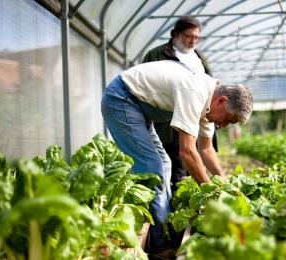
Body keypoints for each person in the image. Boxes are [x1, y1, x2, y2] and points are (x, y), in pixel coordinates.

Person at [101, 60, 253, 259]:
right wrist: (211, 193)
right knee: (152, 167)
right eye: (228, 119)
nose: (223, 126)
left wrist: (222, 181)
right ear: (222, 101)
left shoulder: (209, 105)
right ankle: (159, 245)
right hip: (122, 99)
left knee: (165, 163)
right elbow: (187, 151)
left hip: (138, 107)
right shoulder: (195, 92)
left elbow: (206, 149)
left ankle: (165, 225)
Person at [142, 16, 218, 192]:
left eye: (197, 37)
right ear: (175, 34)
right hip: (167, 126)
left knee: (192, 169)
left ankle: (189, 207)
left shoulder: (200, 59)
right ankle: (173, 212)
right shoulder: (156, 55)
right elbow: (147, 90)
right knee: (171, 170)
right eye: (188, 36)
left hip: (193, 122)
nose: (193, 41)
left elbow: (211, 92)